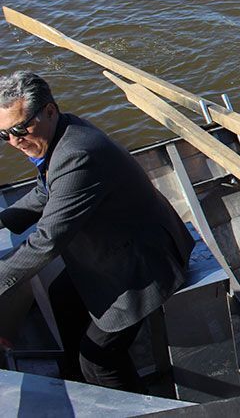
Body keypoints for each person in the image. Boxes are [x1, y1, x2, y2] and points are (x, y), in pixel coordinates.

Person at [0, 72, 194, 390]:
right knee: (61, 294)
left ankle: (134, 406)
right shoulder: (60, 134)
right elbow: (46, 191)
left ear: (49, 110)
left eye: (21, 129)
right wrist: (3, 219)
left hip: (143, 265)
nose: (14, 142)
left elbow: (47, 242)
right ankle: (77, 384)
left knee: (98, 359)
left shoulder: (77, 153)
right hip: (114, 247)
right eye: (3, 135)